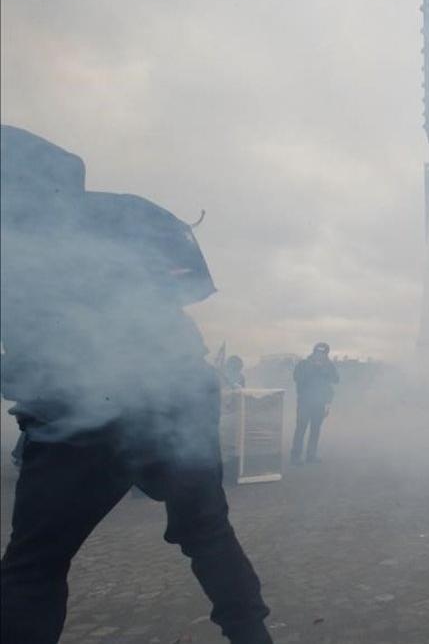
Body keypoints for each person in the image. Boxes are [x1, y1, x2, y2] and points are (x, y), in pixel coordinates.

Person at [0, 126, 272, 643]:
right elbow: (189, 289)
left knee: (34, 565)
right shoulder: (124, 213)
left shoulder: (14, 238)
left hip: (81, 408)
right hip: (176, 393)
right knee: (209, 534)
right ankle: (253, 637)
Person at [290, 342, 339, 465]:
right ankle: (295, 456)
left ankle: (311, 455)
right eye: (318, 352)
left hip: (320, 402)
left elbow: (336, 379)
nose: (319, 355)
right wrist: (313, 369)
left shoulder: (329, 365)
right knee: (301, 428)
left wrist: (323, 370)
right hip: (304, 401)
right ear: (314, 351)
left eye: (322, 353)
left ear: (326, 354)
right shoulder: (304, 364)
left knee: (315, 430)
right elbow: (296, 378)